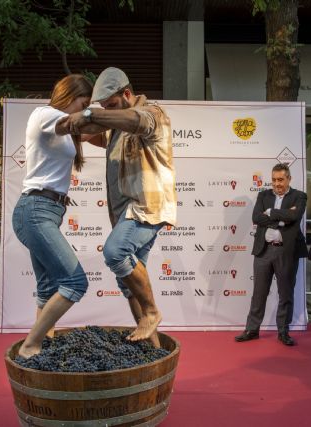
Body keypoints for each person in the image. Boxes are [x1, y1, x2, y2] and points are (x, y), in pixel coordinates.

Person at [62, 67, 176, 347]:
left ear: (127, 94)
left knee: (115, 252)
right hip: (125, 214)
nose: (106, 111)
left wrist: (90, 114)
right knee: (127, 285)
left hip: (146, 207)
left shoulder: (153, 114)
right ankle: (154, 351)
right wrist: (66, 122)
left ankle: (151, 312)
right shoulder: (114, 128)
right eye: (103, 107)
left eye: (110, 105)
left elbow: (136, 120)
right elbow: (89, 131)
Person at [12, 74, 93, 358]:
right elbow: (76, 122)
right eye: (83, 103)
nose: (84, 109)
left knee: (47, 288)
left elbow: (97, 134)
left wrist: (125, 121)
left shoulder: (67, 128)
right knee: (75, 282)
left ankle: (40, 349)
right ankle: (31, 344)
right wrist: (95, 113)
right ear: (70, 95)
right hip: (35, 211)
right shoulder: (44, 114)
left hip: (48, 210)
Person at [235, 163, 308, 346]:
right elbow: (256, 218)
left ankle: (283, 332)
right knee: (259, 293)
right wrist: (283, 218)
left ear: (289, 179)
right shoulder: (263, 195)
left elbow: (295, 217)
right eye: (274, 180)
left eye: (281, 180)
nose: (277, 184)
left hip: (286, 251)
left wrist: (271, 213)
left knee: (286, 293)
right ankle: (252, 329)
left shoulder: (299, 196)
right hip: (263, 250)